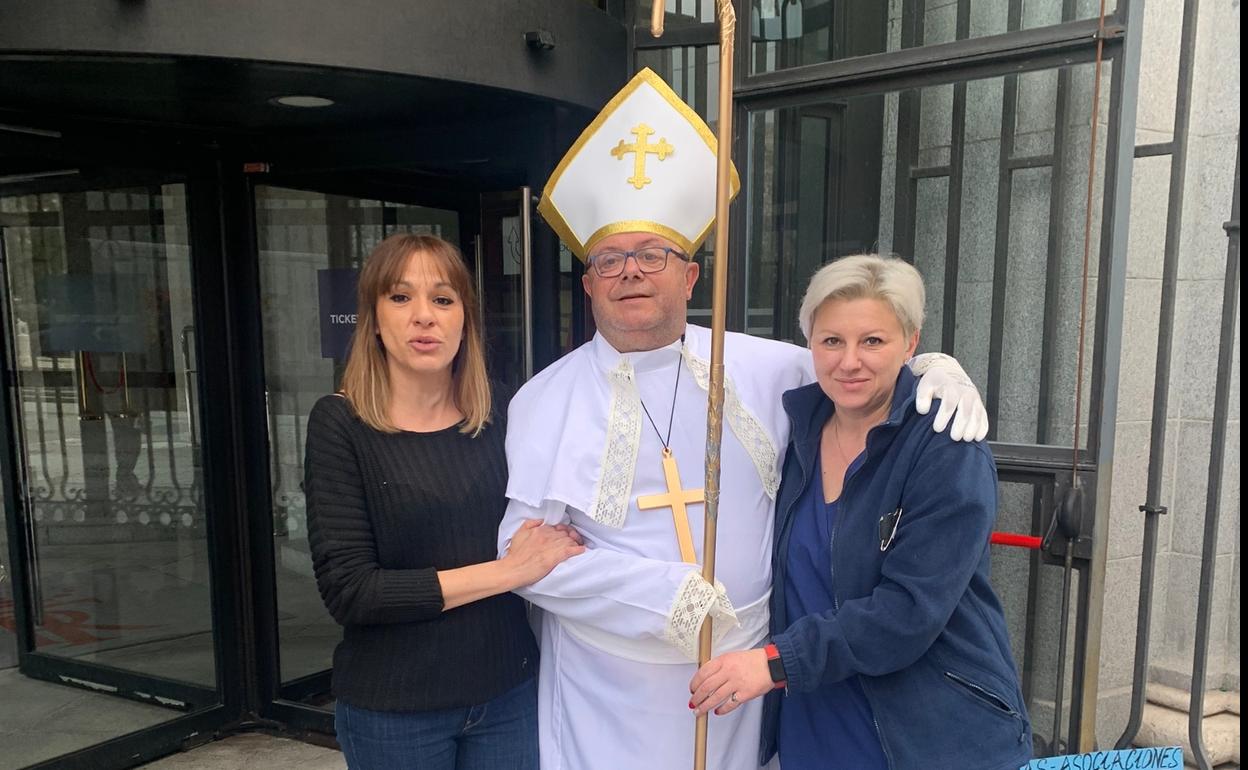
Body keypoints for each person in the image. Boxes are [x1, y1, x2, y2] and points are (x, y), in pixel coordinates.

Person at [497, 69, 989, 770]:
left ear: (691, 277)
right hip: (608, 690)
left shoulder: (768, 368)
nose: (630, 272)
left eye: (652, 255)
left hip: (749, 674)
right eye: (608, 260)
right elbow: (524, 561)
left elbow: (855, 365)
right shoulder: (543, 399)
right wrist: (668, 597)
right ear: (588, 282)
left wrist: (934, 368)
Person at [689, 255, 1032, 770]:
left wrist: (775, 662)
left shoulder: (945, 447)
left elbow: (909, 610)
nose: (850, 361)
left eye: (873, 340)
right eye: (832, 341)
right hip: (817, 725)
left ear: (911, 343)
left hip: (927, 732)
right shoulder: (794, 434)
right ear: (810, 345)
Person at [303, 233, 584, 770]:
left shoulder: (506, 412)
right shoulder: (340, 425)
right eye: (401, 297)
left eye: (443, 299)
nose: (423, 317)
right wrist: (509, 572)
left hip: (508, 695)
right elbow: (353, 591)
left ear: (465, 319)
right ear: (373, 317)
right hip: (396, 711)